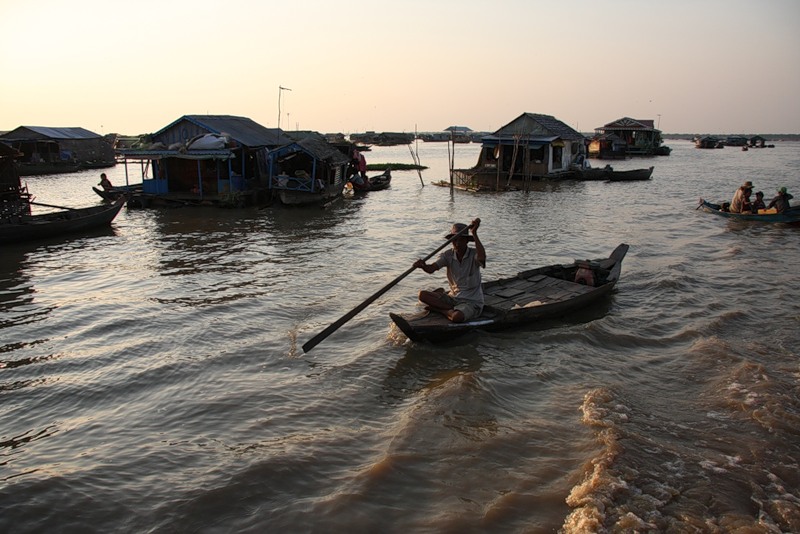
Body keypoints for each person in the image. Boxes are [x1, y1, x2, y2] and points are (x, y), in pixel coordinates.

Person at [413, 219, 486, 323]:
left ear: (466, 241)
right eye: (455, 240)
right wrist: (423, 266)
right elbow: (431, 269)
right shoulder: (447, 255)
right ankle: (449, 310)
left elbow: (482, 258)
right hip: (453, 299)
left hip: (471, 302)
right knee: (422, 295)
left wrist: (474, 233)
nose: (457, 243)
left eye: (461, 240)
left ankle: (441, 310)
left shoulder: (474, 254)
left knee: (457, 317)